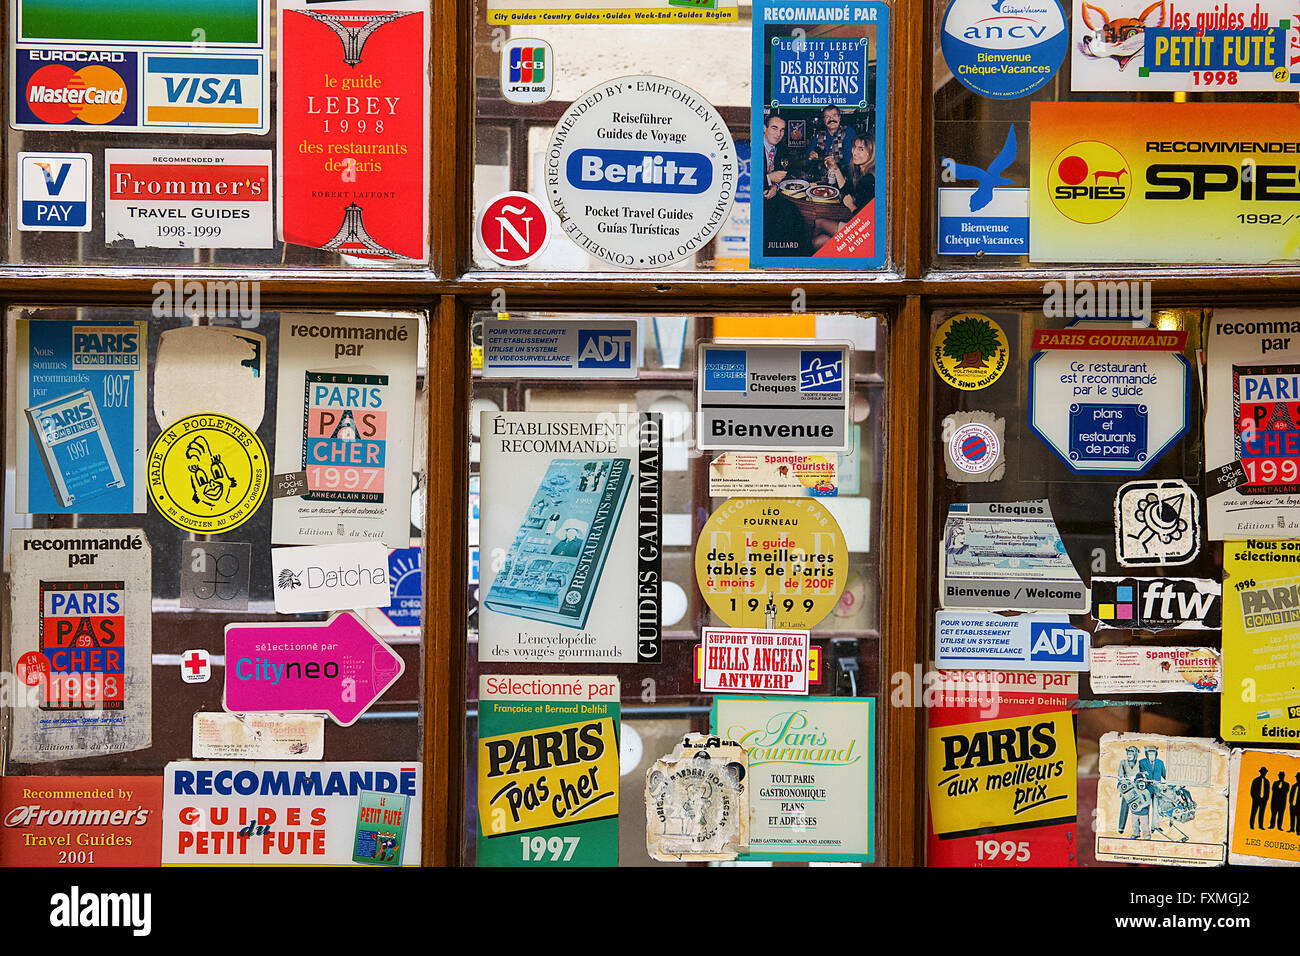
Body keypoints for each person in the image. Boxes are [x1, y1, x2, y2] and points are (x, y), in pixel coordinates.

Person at [812, 135, 876, 252]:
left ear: (871, 153)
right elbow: (847, 190)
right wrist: (835, 169)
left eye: (861, 149)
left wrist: (851, 206)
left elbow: (866, 221)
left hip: (866, 235)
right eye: (854, 147)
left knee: (818, 233)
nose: (854, 152)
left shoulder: (868, 180)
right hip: (863, 230)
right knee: (818, 232)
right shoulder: (863, 172)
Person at [760, 114, 809, 257]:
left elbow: (785, 171)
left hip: (772, 195)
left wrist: (774, 185)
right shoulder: (754, 146)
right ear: (764, 128)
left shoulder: (779, 149)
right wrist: (769, 178)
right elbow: (746, 177)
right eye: (774, 128)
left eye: (782, 130)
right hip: (754, 202)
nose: (778, 134)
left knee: (794, 214)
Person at [806, 106, 855, 183]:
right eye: (827, 116)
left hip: (842, 179)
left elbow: (849, 160)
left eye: (834, 115)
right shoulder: (818, 135)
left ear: (839, 117)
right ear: (824, 120)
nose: (831, 119)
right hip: (821, 180)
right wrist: (811, 155)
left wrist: (851, 182)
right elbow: (808, 157)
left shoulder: (848, 132)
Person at [1117, 745, 1141, 835]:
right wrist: (1125, 779)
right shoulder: (1123, 762)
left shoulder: (1140, 764)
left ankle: (1137, 829)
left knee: (1137, 809)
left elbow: (1142, 775)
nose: (1129, 755)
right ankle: (1121, 827)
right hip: (1126, 788)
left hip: (1136, 789)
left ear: (1135, 755)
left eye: (1131, 754)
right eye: (1128, 754)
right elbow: (1120, 775)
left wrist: (1136, 779)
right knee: (1124, 807)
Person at [1250, 766, 1270, 830]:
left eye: (1264, 772)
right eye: (1262, 772)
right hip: (1256, 799)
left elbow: (1267, 791)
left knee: (1261, 813)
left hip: (1263, 800)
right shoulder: (1256, 780)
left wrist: (1265, 799)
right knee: (1253, 812)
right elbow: (1252, 790)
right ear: (1260, 772)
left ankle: (1260, 826)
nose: (1263, 773)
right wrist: (1254, 798)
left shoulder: (1267, 782)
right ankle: (1251, 825)